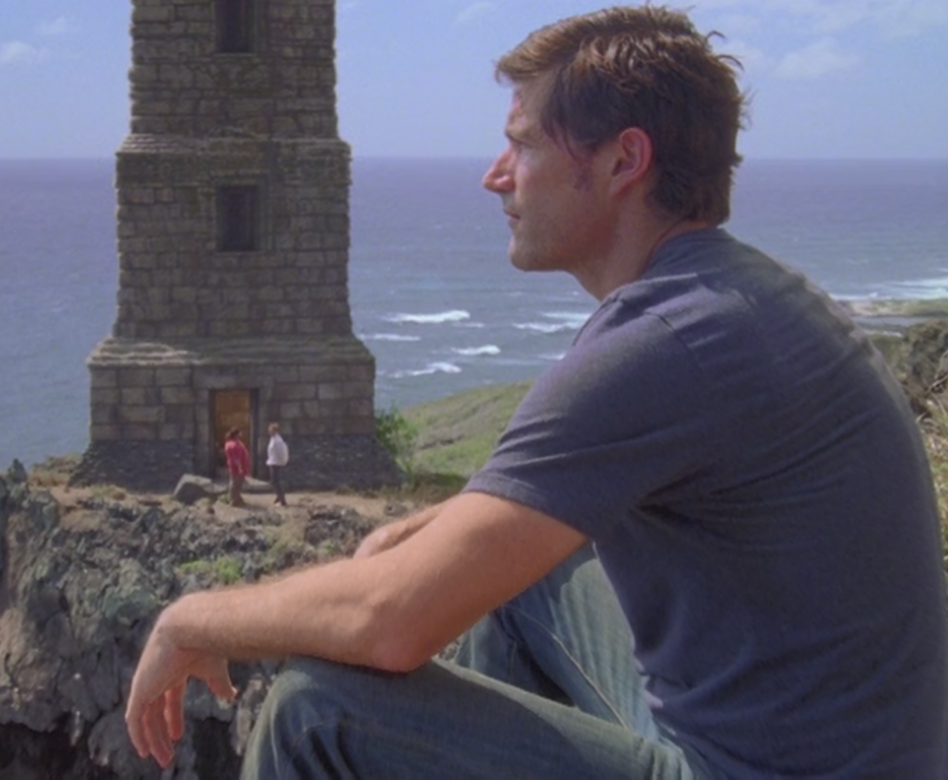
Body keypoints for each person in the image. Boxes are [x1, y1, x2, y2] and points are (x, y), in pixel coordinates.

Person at [126, 6, 948, 778]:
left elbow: (389, 624)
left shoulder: (663, 343)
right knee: (515, 580)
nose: (495, 176)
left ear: (624, 161)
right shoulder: (730, 296)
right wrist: (440, 527)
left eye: (521, 145)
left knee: (315, 712)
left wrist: (189, 618)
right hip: (823, 746)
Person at [223, 427, 249, 508]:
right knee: (236, 484)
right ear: (236, 434)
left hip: (234, 466)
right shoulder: (235, 445)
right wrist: (240, 467)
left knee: (235, 483)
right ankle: (234, 500)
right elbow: (236, 458)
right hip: (238, 467)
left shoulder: (230, 443)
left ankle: (237, 498)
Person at [266, 422, 289, 506]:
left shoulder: (278, 441)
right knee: (274, 481)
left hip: (277, 463)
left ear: (275, 431)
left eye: (270, 430)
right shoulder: (273, 439)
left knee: (276, 482)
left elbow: (281, 452)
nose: (269, 431)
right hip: (273, 462)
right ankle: (278, 496)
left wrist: (282, 461)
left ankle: (282, 500)